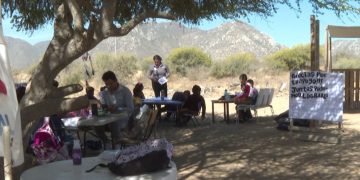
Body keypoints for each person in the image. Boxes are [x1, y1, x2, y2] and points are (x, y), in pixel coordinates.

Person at [96, 71, 134, 149]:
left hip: (122, 118)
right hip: (107, 118)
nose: (108, 86)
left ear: (116, 80)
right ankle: (106, 142)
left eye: (110, 84)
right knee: (96, 125)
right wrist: (104, 107)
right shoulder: (104, 93)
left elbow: (130, 108)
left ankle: (117, 144)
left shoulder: (125, 91)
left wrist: (118, 109)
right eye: (106, 84)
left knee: (114, 123)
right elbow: (103, 106)